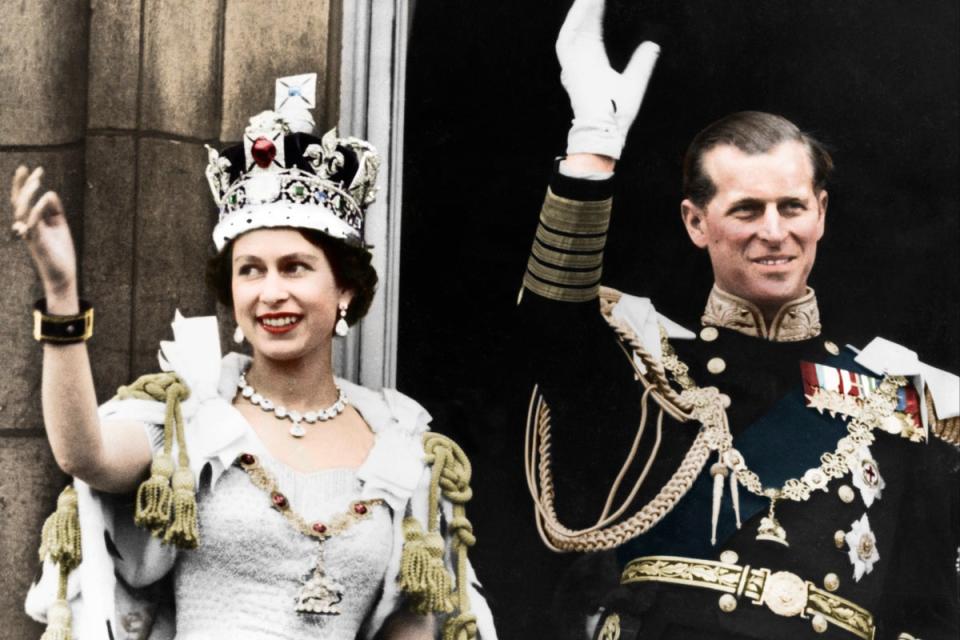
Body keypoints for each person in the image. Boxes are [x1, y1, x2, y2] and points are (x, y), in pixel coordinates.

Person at [519, 1, 960, 638]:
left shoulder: (903, 399)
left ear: (821, 215)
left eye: (792, 207)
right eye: (747, 209)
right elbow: (547, 332)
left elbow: (929, 610)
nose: (774, 233)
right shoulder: (649, 365)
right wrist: (593, 148)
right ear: (697, 222)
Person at [12, 74, 496, 640]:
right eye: (250, 271)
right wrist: (62, 294)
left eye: (295, 267)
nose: (270, 292)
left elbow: (409, 627)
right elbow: (83, 453)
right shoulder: (189, 417)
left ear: (345, 290)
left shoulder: (400, 444)